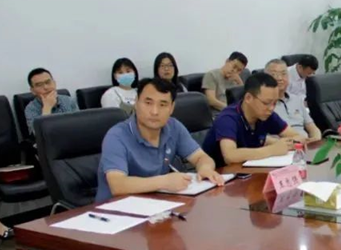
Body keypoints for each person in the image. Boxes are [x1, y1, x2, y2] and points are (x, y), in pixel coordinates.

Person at [96, 78, 224, 202]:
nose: (154, 112)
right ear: (136, 103)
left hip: (155, 204)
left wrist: (205, 169)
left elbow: (201, 157)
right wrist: (164, 182)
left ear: (172, 108)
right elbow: (117, 185)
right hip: (115, 209)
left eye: (162, 105)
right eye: (148, 103)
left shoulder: (173, 127)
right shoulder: (117, 136)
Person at [202, 72, 304, 166]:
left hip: (249, 170)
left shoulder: (267, 114)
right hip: (221, 174)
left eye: (274, 103)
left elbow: (298, 136)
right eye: (266, 103)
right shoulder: (227, 118)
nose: (271, 108)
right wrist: (272, 150)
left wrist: (286, 144)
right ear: (248, 98)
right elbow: (230, 156)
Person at [264, 59, 321, 142]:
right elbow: (259, 137)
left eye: (283, 74)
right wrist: (285, 143)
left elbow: (312, 127)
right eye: (274, 74)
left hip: (305, 144)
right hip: (281, 146)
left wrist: (316, 139)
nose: (279, 78)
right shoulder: (262, 104)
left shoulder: (296, 99)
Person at [24, 68, 78, 134]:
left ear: (54, 83)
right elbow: (38, 134)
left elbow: (80, 124)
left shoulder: (68, 100)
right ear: (33, 91)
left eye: (48, 82)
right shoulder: (31, 108)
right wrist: (47, 108)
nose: (46, 87)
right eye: (39, 85)